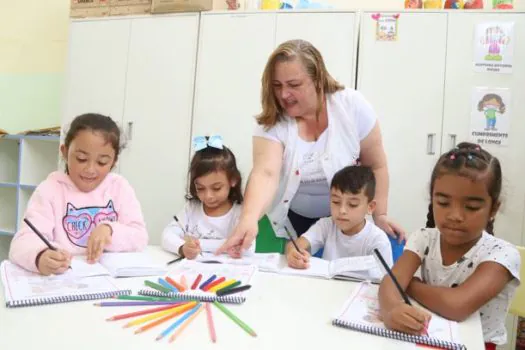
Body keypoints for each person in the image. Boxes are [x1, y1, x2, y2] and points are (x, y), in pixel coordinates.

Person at [218, 39, 402, 255]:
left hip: (343, 220)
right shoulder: (272, 121)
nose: (284, 94)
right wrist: (248, 218)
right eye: (277, 86)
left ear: (318, 80)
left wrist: (380, 215)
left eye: (294, 85)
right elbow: (266, 173)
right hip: (291, 219)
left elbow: (376, 165)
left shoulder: (352, 106)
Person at [378, 142, 521, 350]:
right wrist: (391, 309)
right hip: (423, 339)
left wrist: (409, 284)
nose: (455, 216)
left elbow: (457, 306)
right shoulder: (423, 238)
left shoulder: (502, 254)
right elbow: (389, 285)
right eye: (443, 203)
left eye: (471, 207)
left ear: (493, 209)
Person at [9, 113, 148, 275]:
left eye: (102, 162)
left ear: (113, 161)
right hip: (65, 280)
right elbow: (21, 243)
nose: (90, 169)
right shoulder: (50, 190)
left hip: (109, 282)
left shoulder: (119, 187)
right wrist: (40, 256)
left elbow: (140, 237)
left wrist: (109, 229)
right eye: (81, 158)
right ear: (65, 152)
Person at [162, 135, 254, 259]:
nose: (208, 196)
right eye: (200, 188)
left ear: (233, 180)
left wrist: (193, 242)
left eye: (216, 188)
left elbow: (247, 247)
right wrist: (182, 248)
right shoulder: (191, 208)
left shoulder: (240, 212)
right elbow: (167, 235)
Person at [286, 165, 393, 269]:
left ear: (370, 207)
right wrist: (293, 252)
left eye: (352, 204)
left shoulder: (377, 239)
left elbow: (386, 281)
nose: (342, 210)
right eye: (336, 202)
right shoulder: (326, 225)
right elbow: (296, 244)